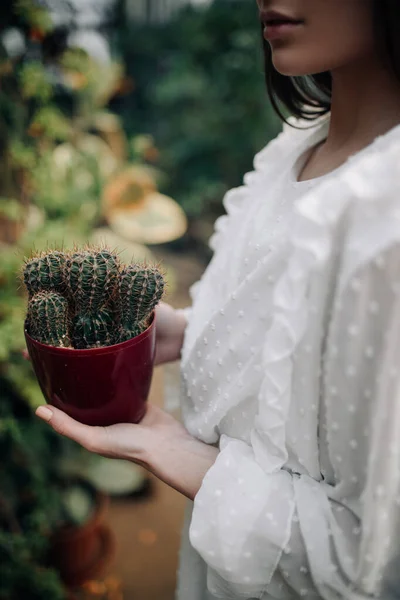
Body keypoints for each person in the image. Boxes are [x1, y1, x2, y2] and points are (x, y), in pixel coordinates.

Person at [35, 1, 400, 598]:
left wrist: (179, 454)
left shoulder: (385, 221)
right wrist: (173, 331)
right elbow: (275, 337)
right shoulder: (295, 150)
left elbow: (370, 564)